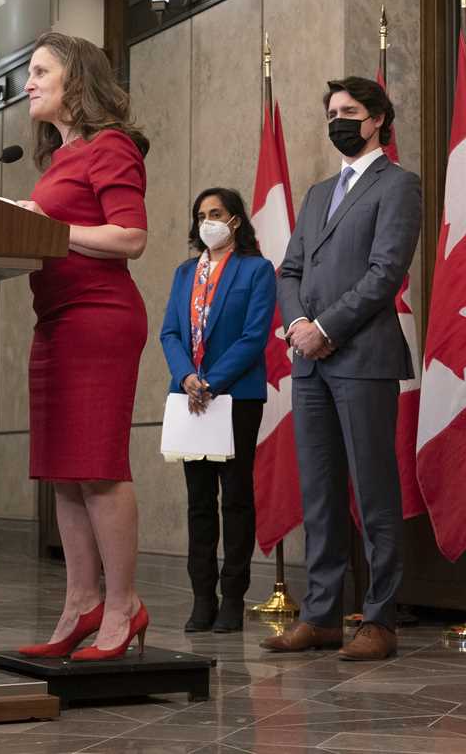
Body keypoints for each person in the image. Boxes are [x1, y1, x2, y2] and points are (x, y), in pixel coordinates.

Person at [261, 76, 421, 661]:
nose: (338, 121)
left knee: (375, 490)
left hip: (362, 359)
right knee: (320, 492)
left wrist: (325, 328)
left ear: (377, 118)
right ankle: (322, 615)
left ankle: (379, 618)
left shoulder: (399, 185)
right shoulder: (317, 192)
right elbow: (289, 271)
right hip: (311, 367)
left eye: (349, 111)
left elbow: (386, 274)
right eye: (331, 112)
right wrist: (302, 329)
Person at [13, 31, 150, 662]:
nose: (30, 83)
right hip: (55, 322)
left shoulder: (111, 145)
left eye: (41, 71)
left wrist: (49, 226)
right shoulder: (54, 163)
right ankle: (79, 602)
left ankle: (122, 606)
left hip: (99, 319)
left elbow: (130, 238)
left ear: (77, 80)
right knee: (64, 475)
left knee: (97, 467)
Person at [159, 188, 276, 634]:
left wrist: (211, 381)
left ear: (235, 221)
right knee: (199, 502)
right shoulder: (184, 273)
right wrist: (188, 377)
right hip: (189, 397)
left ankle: (233, 597)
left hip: (236, 396)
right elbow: (170, 332)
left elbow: (254, 335)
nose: (208, 220)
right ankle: (202, 597)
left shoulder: (256, 269)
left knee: (237, 498)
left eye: (217, 213)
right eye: (201, 214)